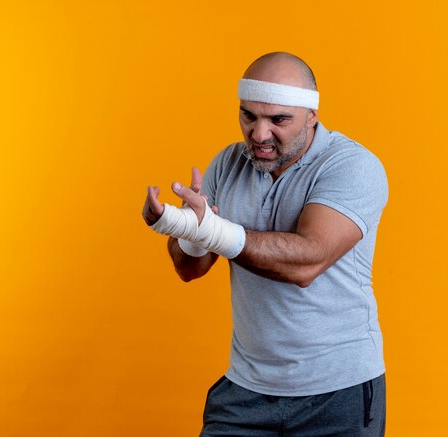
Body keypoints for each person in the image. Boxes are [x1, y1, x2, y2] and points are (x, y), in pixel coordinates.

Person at [142, 52, 388, 436]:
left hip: (337, 392)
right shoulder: (228, 163)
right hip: (245, 388)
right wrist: (185, 229)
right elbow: (189, 269)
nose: (259, 134)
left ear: (312, 116)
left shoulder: (352, 166)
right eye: (249, 116)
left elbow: (306, 262)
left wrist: (210, 230)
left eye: (279, 120)